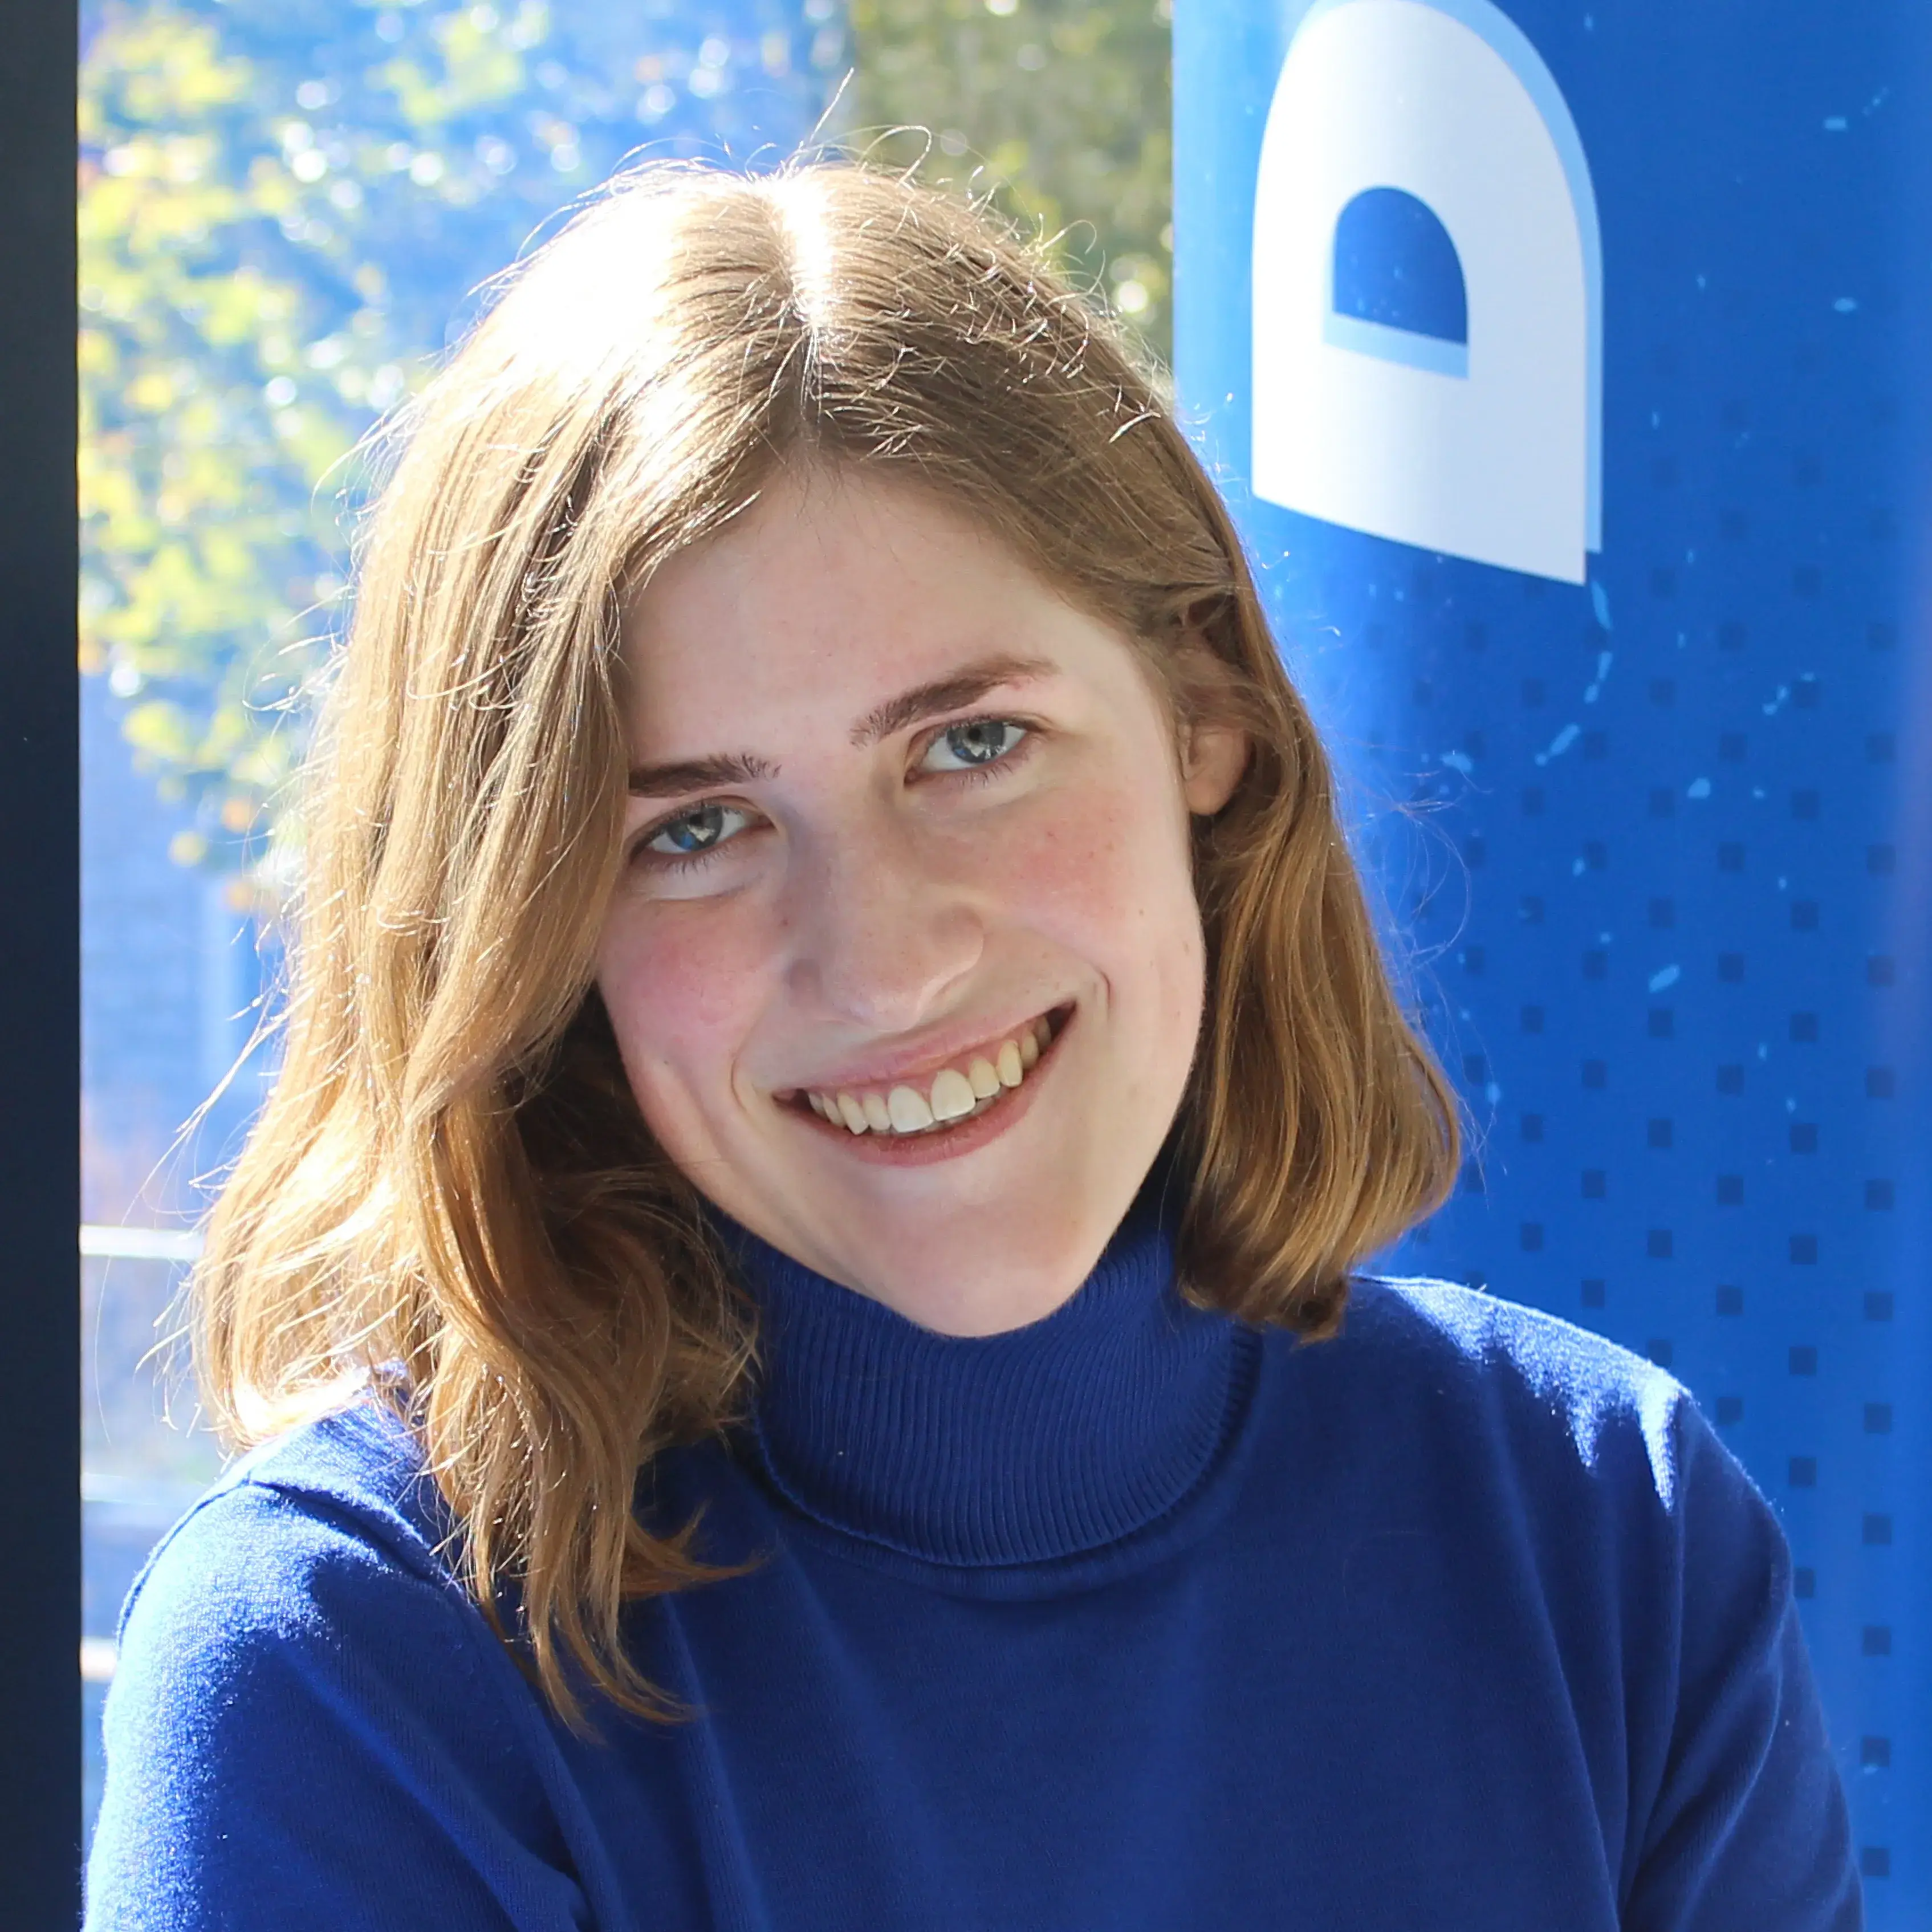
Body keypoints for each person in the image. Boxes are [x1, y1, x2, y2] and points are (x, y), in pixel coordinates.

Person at [87, 162, 1858, 1930]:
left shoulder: (1601, 1535)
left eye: (971, 744)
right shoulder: (358, 1667)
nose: (880, 963)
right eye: (691, 830)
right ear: (534, 937)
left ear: (1204, 717)